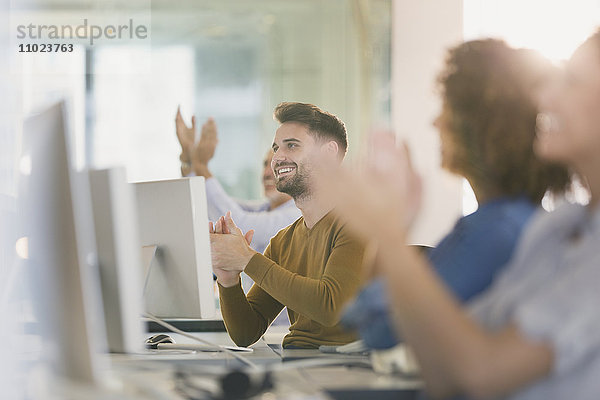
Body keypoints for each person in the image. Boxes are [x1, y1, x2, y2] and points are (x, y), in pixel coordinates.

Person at [320, 31, 600, 399]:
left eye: (573, 82)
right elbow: (445, 371)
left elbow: (479, 371)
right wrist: (392, 227)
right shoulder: (557, 228)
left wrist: (388, 232)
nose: (544, 98)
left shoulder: (506, 231)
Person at [341, 40, 570, 349]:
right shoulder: (511, 222)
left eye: (446, 107)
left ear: (478, 126)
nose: (436, 122)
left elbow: (379, 329)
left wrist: (391, 223)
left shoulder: (493, 234)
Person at [209, 102, 366, 349]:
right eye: (275, 148)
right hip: (296, 363)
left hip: (344, 370)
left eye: (291, 145)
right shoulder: (284, 241)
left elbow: (330, 307)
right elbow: (246, 333)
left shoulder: (359, 223)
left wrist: (248, 259)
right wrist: (229, 280)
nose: (277, 157)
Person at [175, 108, 301, 255]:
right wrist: (188, 159)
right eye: (265, 164)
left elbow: (238, 223)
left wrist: (201, 166)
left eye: (276, 165)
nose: (266, 173)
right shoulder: (264, 209)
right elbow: (207, 206)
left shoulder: (297, 216)